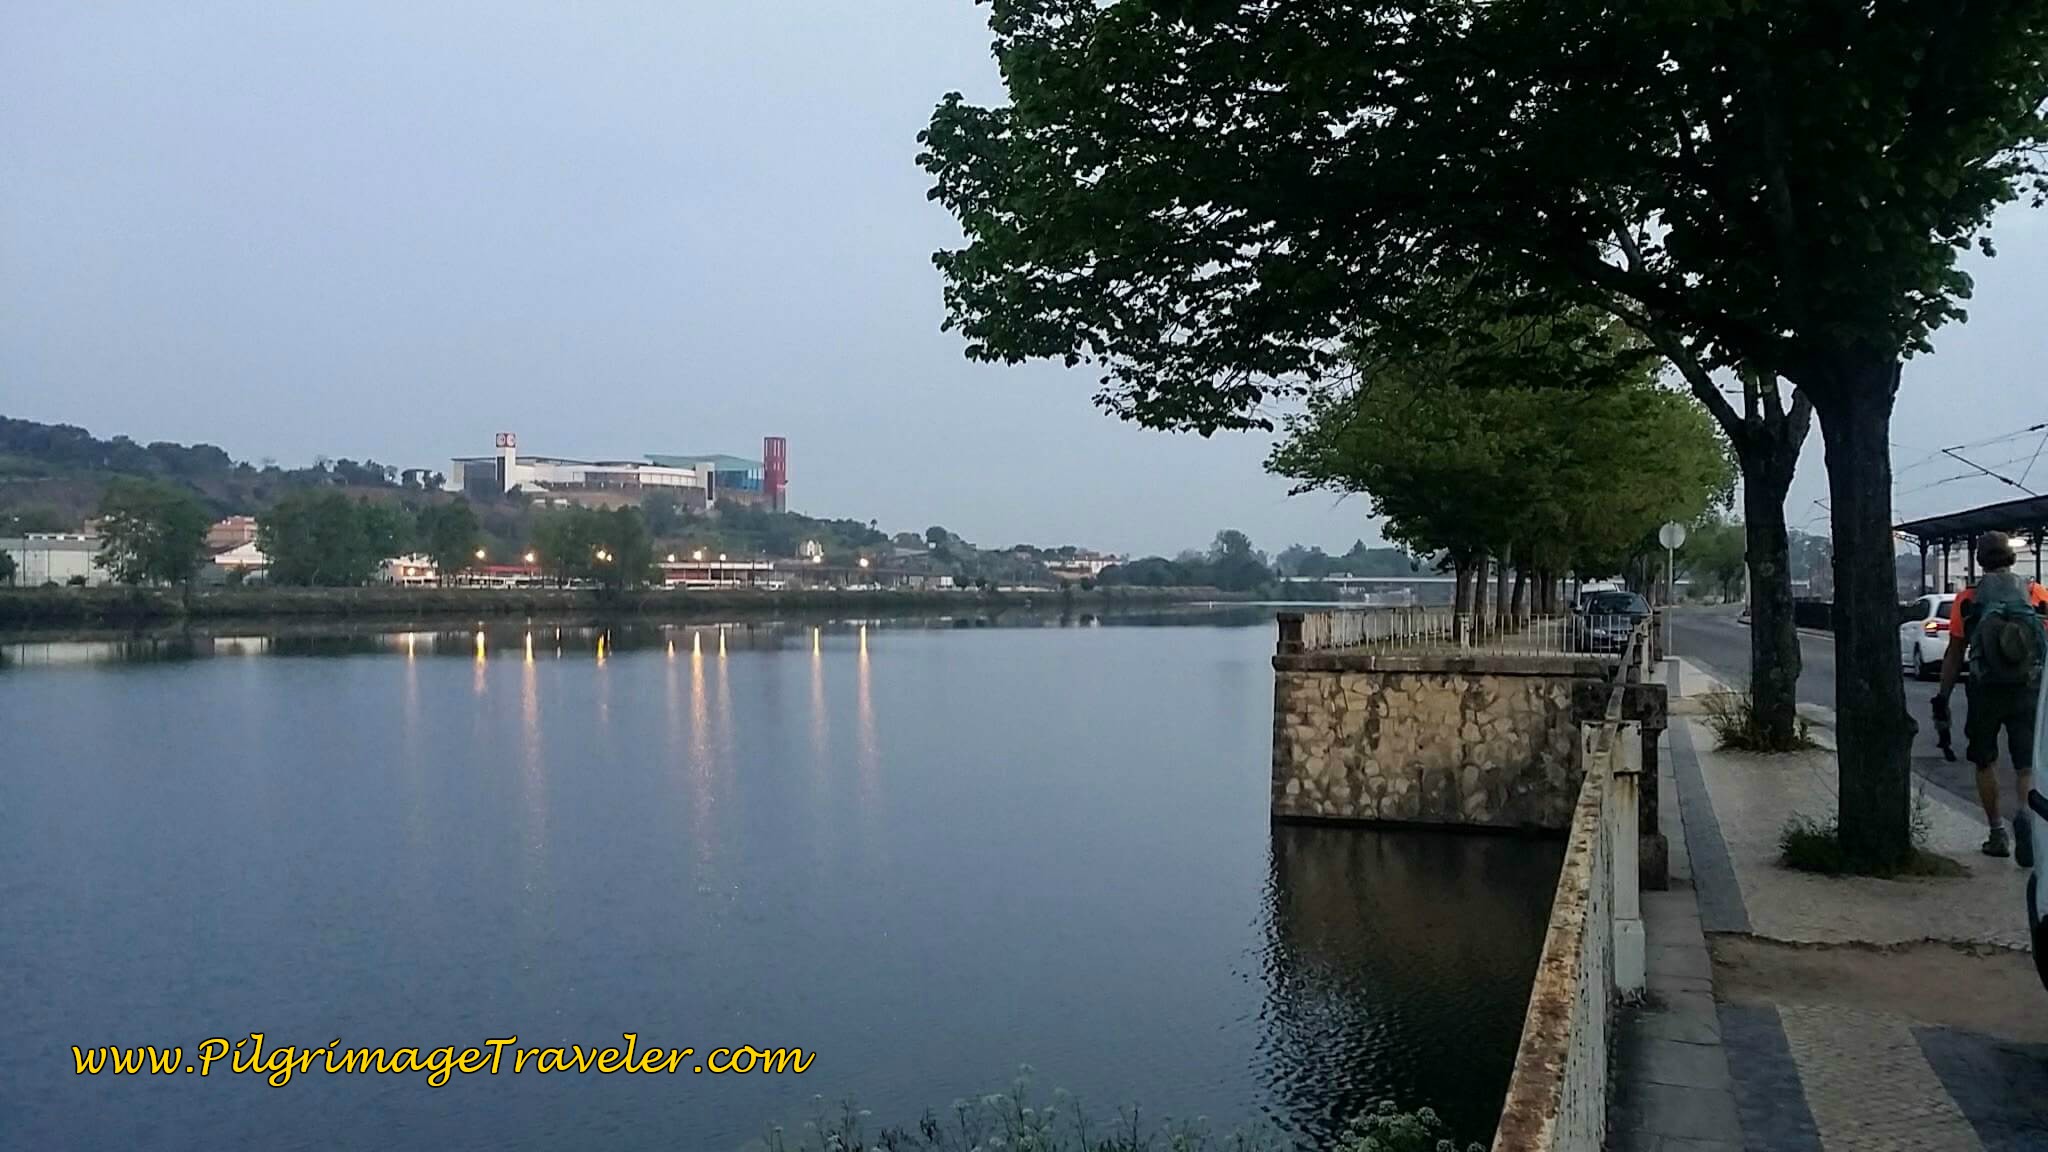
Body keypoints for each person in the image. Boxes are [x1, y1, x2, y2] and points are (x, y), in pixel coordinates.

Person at [1935, 532, 2048, 858]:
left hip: (1984, 691)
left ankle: (1997, 832)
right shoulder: (2034, 593)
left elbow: (1955, 653)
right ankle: (2026, 819)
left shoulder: (1968, 599)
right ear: (2011, 558)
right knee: (2026, 765)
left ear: (1981, 561)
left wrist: (1943, 696)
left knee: (1985, 760)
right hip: (2027, 688)